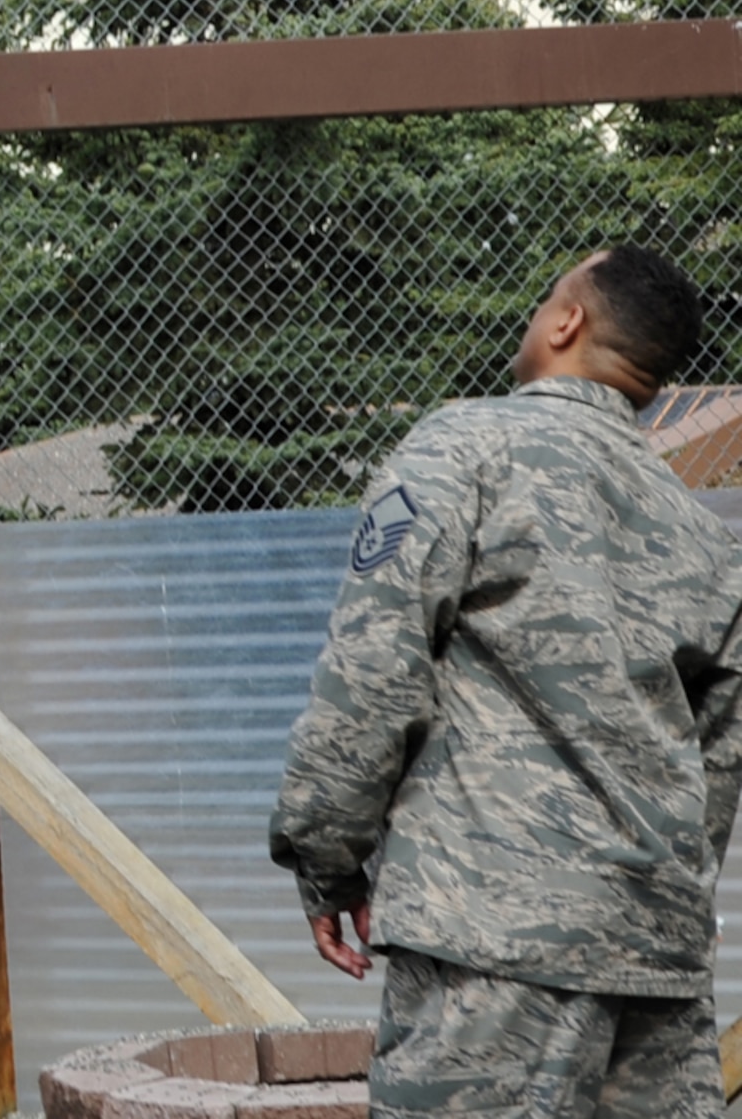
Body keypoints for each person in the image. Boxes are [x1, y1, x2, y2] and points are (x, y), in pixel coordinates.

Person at [269, 244, 742, 1118]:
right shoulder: (704, 534)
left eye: (545, 299)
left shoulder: (466, 448)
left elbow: (374, 667)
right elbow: (717, 762)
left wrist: (326, 860)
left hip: (492, 945)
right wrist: (651, 905)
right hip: (655, 959)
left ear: (567, 322)